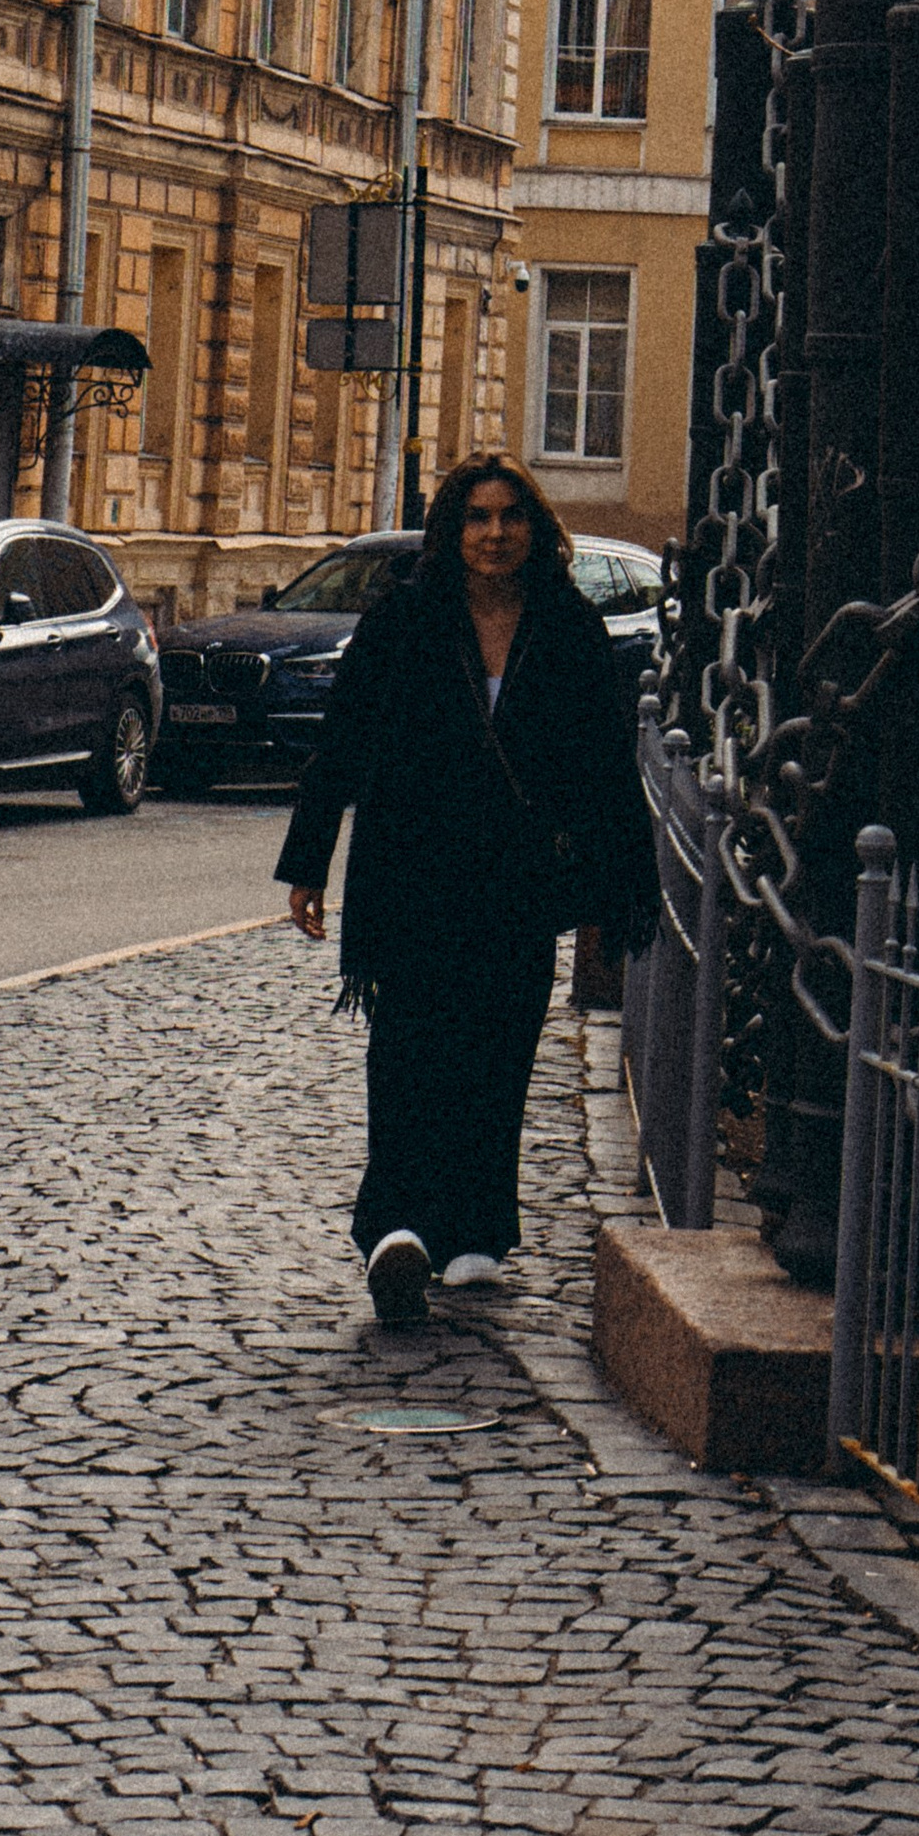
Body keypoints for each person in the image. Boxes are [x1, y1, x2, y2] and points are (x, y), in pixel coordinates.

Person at [278, 453, 659, 1327]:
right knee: (408, 1048)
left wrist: (617, 891)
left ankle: (479, 1225)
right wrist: (309, 860)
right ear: (451, 531)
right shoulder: (404, 619)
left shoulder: (566, 626)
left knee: (496, 1052)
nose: (494, 535)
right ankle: (396, 1227)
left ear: (535, 528)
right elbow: (343, 744)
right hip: (408, 871)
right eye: (476, 518)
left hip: (515, 883)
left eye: (510, 517)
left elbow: (604, 765)